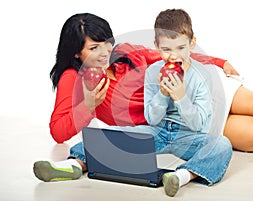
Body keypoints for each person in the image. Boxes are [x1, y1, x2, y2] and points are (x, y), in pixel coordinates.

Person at [33, 12, 232, 189]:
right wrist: (88, 106)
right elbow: (58, 132)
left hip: (193, 107)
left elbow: (173, 51)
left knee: (230, 138)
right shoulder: (74, 78)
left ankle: (182, 175)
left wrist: (218, 62)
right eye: (94, 48)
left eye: (106, 43)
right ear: (77, 52)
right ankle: (73, 166)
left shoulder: (126, 52)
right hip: (152, 127)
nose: (104, 52)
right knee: (97, 137)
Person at [140, 8, 232, 196]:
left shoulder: (202, 75)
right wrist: (162, 94)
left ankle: (182, 175)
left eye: (181, 48)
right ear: (156, 45)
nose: (174, 56)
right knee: (109, 136)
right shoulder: (152, 71)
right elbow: (151, 119)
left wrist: (181, 97)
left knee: (222, 145)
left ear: (192, 43)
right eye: (166, 49)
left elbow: (198, 125)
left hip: (189, 136)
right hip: (159, 131)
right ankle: (76, 162)